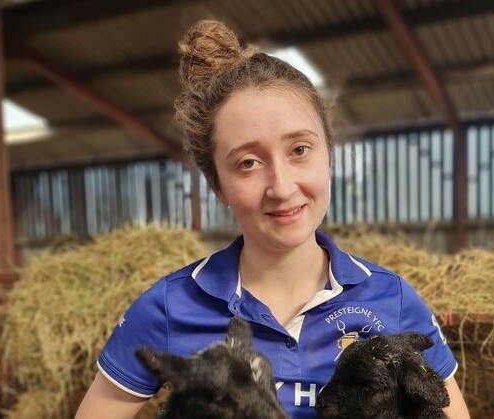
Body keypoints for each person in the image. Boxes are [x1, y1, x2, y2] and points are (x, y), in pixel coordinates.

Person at [75, 19, 470, 419]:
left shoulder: (393, 300)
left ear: (328, 156)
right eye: (247, 163)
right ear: (217, 185)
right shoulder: (168, 306)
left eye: (300, 149)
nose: (281, 186)